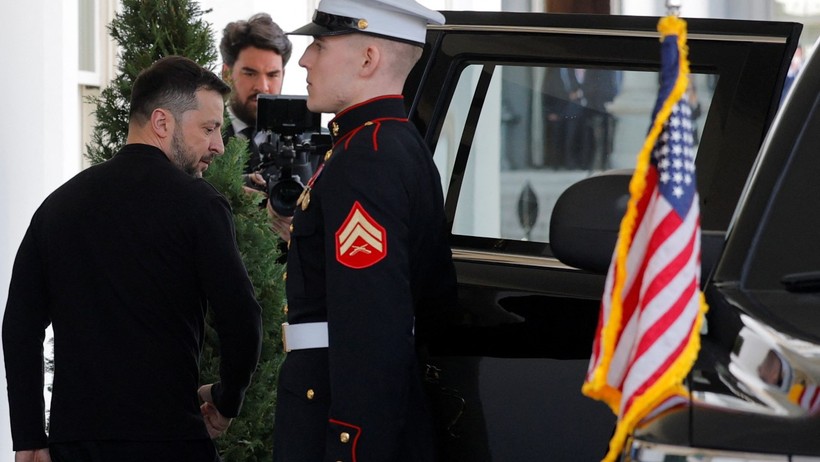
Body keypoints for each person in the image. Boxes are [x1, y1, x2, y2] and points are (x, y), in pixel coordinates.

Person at [2, 55, 263, 462]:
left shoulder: (57, 206)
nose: (218, 145)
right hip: (170, 444)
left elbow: (20, 326)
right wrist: (227, 400)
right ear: (162, 123)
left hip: (76, 446)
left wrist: (31, 438)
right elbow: (243, 322)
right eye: (210, 128)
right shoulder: (200, 206)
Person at [272, 0, 458, 461]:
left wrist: (351, 443)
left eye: (319, 44)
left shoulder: (365, 158)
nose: (303, 60)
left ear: (368, 59)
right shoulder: (391, 143)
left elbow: (373, 325)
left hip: (335, 410)